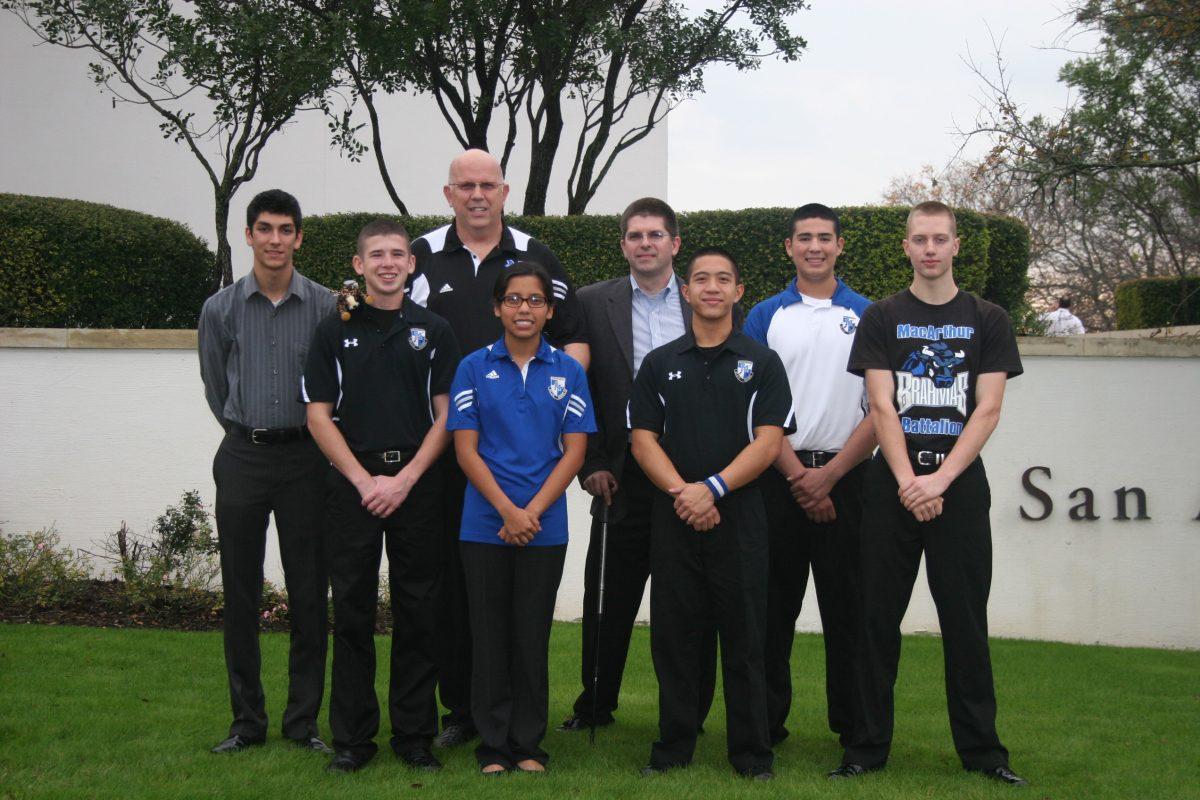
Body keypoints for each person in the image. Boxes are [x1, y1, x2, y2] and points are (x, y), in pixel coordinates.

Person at [834, 201, 1027, 786]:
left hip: (959, 489)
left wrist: (940, 480)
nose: (930, 249)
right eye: (920, 239)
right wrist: (907, 482)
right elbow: (882, 406)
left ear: (956, 246)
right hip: (891, 486)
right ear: (906, 247)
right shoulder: (884, 317)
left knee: (965, 621)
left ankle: (984, 753)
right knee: (874, 620)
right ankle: (865, 748)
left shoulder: (988, 318)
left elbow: (987, 408)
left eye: (940, 239)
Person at [410, 148, 589, 748]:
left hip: (529, 462)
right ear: (449, 193)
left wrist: (549, 407)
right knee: (457, 594)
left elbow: (573, 341)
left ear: (505, 191)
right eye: (467, 185)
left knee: (520, 611)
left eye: (489, 184)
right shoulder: (420, 255)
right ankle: (462, 711)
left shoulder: (537, 254)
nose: (478, 194)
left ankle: (518, 724)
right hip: (448, 448)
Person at [301, 220, 460, 773]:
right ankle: (352, 740)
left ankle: (414, 736)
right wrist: (365, 481)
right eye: (377, 255)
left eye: (398, 254)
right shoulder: (332, 331)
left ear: (411, 265)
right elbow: (318, 414)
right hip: (352, 489)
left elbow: (447, 415)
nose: (388, 263)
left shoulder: (434, 330)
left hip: (417, 486)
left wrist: (406, 478)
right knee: (352, 613)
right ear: (359, 265)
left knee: (420, 612)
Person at [630, 248, 793, 780]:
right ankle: (674, 747)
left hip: (742, 519)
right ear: (686, 290)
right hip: (675, 518)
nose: (712, 287)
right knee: (675, 639)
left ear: (739, 291)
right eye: (701, 278)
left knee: (746, 640)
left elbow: (769, 442)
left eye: (724, 278)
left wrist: (715, 489)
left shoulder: (762, 362)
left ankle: (751, 755)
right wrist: (685, 493)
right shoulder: (659, 363)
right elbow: (642, 440)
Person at [559, 197, 717, 734]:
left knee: (691, 604)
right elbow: (582, 390)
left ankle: (689, 713)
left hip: (693, 479)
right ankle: (595, 705)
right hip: (619, 480)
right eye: (635, 235)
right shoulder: (590, 302)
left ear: (675, 243)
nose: (644, 244)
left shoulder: (707, 299)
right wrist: (592, 464)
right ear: (622, 243)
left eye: (655, 235)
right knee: (609, 599)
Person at [198, 189, 334, 755]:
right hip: (243, 457)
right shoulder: (220, 309)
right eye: (264, 229)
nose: (275, 239)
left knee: (308, 595)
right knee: (241, 593)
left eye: (286, 229)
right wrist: (246, 429)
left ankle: (302, 723)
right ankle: (246, 723)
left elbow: (337, 387)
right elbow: (215, 386)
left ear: (299, 238)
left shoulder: (328, 306)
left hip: (307, 459)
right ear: (248, 236)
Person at [446, 262, 596, 774]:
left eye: (534, 301)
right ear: (497, 307)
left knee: (531, 637)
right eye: (513, 299)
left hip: (545, 526)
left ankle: (528, 744)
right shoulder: (472, 367)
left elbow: (574, 452)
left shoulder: (568, 371)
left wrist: (530, 512)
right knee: (488, 638)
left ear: (550, 311)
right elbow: (466, 451)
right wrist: (507, 510)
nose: (524, 309)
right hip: (483, 524)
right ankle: (492, 747)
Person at [743, 203, 875, 749]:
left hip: (851, 480)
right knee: (772, 613)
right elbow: (753, 407)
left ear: (841, 245)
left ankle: (852, 727)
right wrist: (800, 476)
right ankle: (766, 725)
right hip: (779, 477)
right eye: (804, 238)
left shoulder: (871, 314)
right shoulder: (764, 315)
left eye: (825, 237)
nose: (815, 246)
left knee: (850, 613)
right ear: (789, 248)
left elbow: (882, 408)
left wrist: (832, 474)